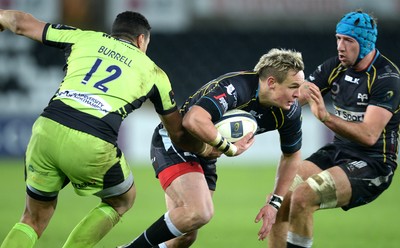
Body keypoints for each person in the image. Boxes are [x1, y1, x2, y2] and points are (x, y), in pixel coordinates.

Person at [0, 9, 210, 248]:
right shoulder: (154, 73)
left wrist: (2, 17)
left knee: (32, 218)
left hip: (46, 129)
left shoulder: (84, 38)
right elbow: (178, 134)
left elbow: (19, 23)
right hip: (92, 139)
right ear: (141, 40)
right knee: (122, 200)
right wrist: (205, 147)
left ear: (115, 32)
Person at [118, 48, 305, 248]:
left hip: (207, 154)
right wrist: (229, 148)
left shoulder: (289, 112)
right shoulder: (238, 87)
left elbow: (291, 156)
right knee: (199, 211)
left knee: (186, 236)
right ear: (271, 83)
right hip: (176, 142)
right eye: (293, 86)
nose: (298, 94)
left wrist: (275, 203)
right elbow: (193, 119)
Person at [267, 10, 400, 248]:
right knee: (280, 198)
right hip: (339, 152)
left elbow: (370, 135)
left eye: (348, 41)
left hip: (373, 163)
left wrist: (326, 118)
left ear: (366, 43)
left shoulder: (386, 78)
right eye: (338, 38)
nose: (340, 46)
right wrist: (258, 113)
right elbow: (296, 97)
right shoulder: (335, 68)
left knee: (302, 197)